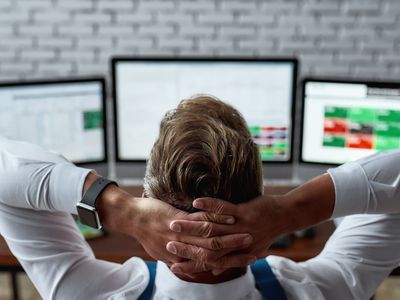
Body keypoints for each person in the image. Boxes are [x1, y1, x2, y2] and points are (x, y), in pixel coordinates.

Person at [0, 96, 398, 299]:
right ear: (258, 197)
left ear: (148, 194)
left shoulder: (87, 293)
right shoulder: (325, 289)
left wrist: (119, 209)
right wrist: (289, 211)